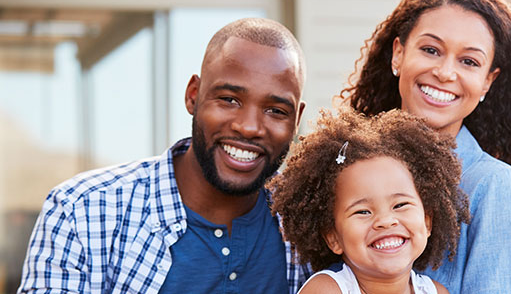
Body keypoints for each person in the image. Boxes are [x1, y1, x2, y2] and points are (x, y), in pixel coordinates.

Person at [18, 18, 310, 294]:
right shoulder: (81, 212)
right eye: (229, 99)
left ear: (296, 120)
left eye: (275, 111)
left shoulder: (312, 226)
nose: (248, 127)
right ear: (193, 95)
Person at [340, 0, 511, 292]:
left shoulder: (495, 188)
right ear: (398, 53)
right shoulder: (347, 168)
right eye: (430, 50)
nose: (445, 72)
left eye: (468, 61)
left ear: (488, 81)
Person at [269, 109, 470, 294]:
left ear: (427, 222)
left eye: (400, 205)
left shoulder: (436, 292)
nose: (385, 220)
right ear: (333, 237)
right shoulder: (326, 290)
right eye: (363, 211)